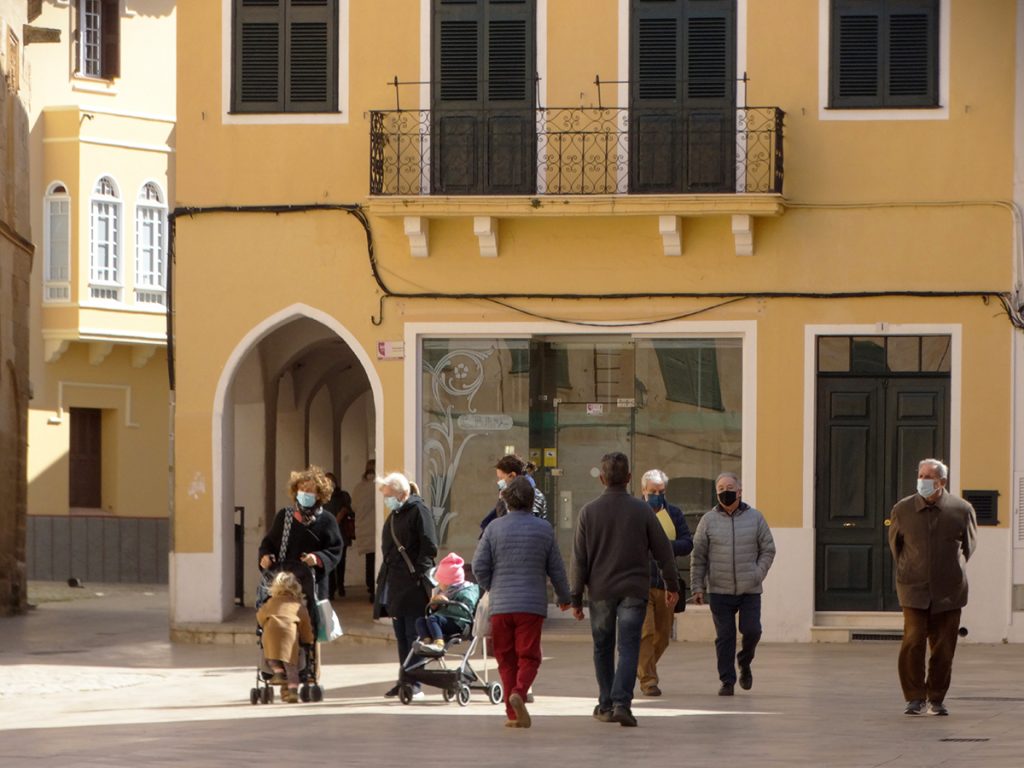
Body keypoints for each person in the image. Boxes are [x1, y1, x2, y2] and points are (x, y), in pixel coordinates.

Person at [570, 452, 679, 727]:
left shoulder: (588, 512)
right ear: (629, 478)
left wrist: (574, 596)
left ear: (602, 479)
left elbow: (579, 558)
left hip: (601, 591)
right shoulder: (641, 510)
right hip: (634, 589)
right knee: (629, 647)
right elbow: (663, 551)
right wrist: (672, 585)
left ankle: (605, 704)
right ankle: (622, 703)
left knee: (602, 647)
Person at [474, 476, 571, 729]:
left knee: (505, 659)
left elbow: (479, 566)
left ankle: (512, 713)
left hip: (501, 606)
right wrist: (564, 597)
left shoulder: (494, 528)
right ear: (532, 502)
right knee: (529, 656)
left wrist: (492, 587)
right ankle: (520, 691)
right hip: (531, 605)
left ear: (507, 500)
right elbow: (557, 569)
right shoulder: (544, 529)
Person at [889, 458, 977, 716]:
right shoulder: (902, 510)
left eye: (929, 476)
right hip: (913, 587)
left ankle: (936, 698)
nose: (923, 480)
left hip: (949, 591)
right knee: (913, 641)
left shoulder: (961, 509)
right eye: (920, 475)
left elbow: (969, 547)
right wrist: (912, 568)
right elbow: (896, 546)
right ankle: (914, 697)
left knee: (944, 647)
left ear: (942, 482)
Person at [690, 471, 775, 696]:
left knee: (752, 631)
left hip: (750, 588)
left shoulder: (755, 518)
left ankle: (744, 661)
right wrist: (697, 586)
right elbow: (698, 556)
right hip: (719, 589)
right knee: (725, 637)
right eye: (720, 489)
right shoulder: (708, 521)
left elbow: (768, 549)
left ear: (739, 491)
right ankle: (727, 681)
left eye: (729, 488)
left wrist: (758, 572)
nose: (725, 492)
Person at [372, 471, 438, 700]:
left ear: (402, 494)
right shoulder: (396, 515)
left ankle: (415, 682)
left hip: (413, 584)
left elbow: (429, 546)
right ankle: (405, 679)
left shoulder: (418, 511)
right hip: (396, 584)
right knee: (401, 636)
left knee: (414, 635)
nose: (386, 500)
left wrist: (418, 573)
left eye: (389, 495)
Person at [259, 465, 344, 622]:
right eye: (301, 489)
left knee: (312, 629)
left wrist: (318, 558)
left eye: (309, 490)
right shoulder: (284, 516)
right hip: (285, 582)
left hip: (313, 583)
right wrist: (265, 556)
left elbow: (335, 549)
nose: (304, 493)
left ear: (319, 494)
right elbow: (268, 543)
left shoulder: (327, 520)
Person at [637, 469, 693, 697]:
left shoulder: (674, 514)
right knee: (646, 632)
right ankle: (648, 680)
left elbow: (687, 543)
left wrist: (664, 546)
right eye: (652, 492)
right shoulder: (636, 512)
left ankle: (641, 667)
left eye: (660, 492)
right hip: (641, 583)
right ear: (643, 491)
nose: (656, 495)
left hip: (666, 583)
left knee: (662, 636)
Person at [256, 570, 315, 703]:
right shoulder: (298, 605)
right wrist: (308, 640)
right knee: (292, 667)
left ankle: (277, 671)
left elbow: (260, 617)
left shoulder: (270, 603)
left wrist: (263, 624)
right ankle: (293, 692)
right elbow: (305, 626)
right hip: (290, 637)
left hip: (271, 635)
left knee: (271, 657)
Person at [413, 552, 480, 655]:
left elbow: (466, 610)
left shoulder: (467, 591)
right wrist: (435, 604)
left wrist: (447, 603)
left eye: (441, 582)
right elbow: (437, 610)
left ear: (451, 582)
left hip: (459, 622)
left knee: (433, 619)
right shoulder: (444, 590)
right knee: (420, 621)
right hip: (445, 619)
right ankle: (427, 641)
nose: (439, 584)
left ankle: (439, 644)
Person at [480, 454, 548, 531]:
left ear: (512, 475)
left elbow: (506, 523)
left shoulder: (529, 495)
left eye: (501, 478)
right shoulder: (514, 493)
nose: (498, 482)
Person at [324, 472, 353, 599]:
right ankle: (331, 589)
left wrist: (340, 515)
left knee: (341, 560)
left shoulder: (342, 495)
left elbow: (349, 509)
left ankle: (340, 584)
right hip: (326, 533)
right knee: (329, 560)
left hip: (341, 532)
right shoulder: (322, 497)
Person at [351, 459, 377, 602]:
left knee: (370, 559)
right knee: (376, 560)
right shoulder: (377, 487)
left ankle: (370, 588)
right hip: (375, 527)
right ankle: (374, 589)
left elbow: (354, 506)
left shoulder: (359, 487)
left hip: (363, 527)